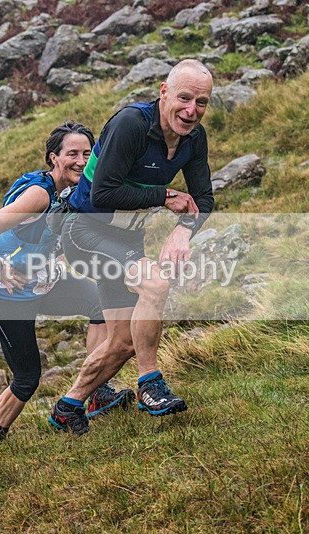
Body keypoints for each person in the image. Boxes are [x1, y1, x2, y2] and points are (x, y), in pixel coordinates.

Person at [48, 59, 215, 434]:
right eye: (184, 98)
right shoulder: (131, 124)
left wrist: (182, 232)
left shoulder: (194, 138)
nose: (191, 111)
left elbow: (203, 198)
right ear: (164, 92)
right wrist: (165, 195)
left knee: (122, 341)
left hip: (124, 236)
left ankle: (68, 406)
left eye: (201, 102)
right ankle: (150, 385)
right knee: (155, 283)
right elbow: (105, 191)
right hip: (84, 230)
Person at [0, 121, 135, 444]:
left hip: (45, 285)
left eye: (87, 154)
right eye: (72, 153)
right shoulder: (38, 194)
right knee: (27, 379)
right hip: (12, 296)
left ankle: (97, 393)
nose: (80, 160)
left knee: (101, 304)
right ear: (54, 158)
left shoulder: (77, 192)